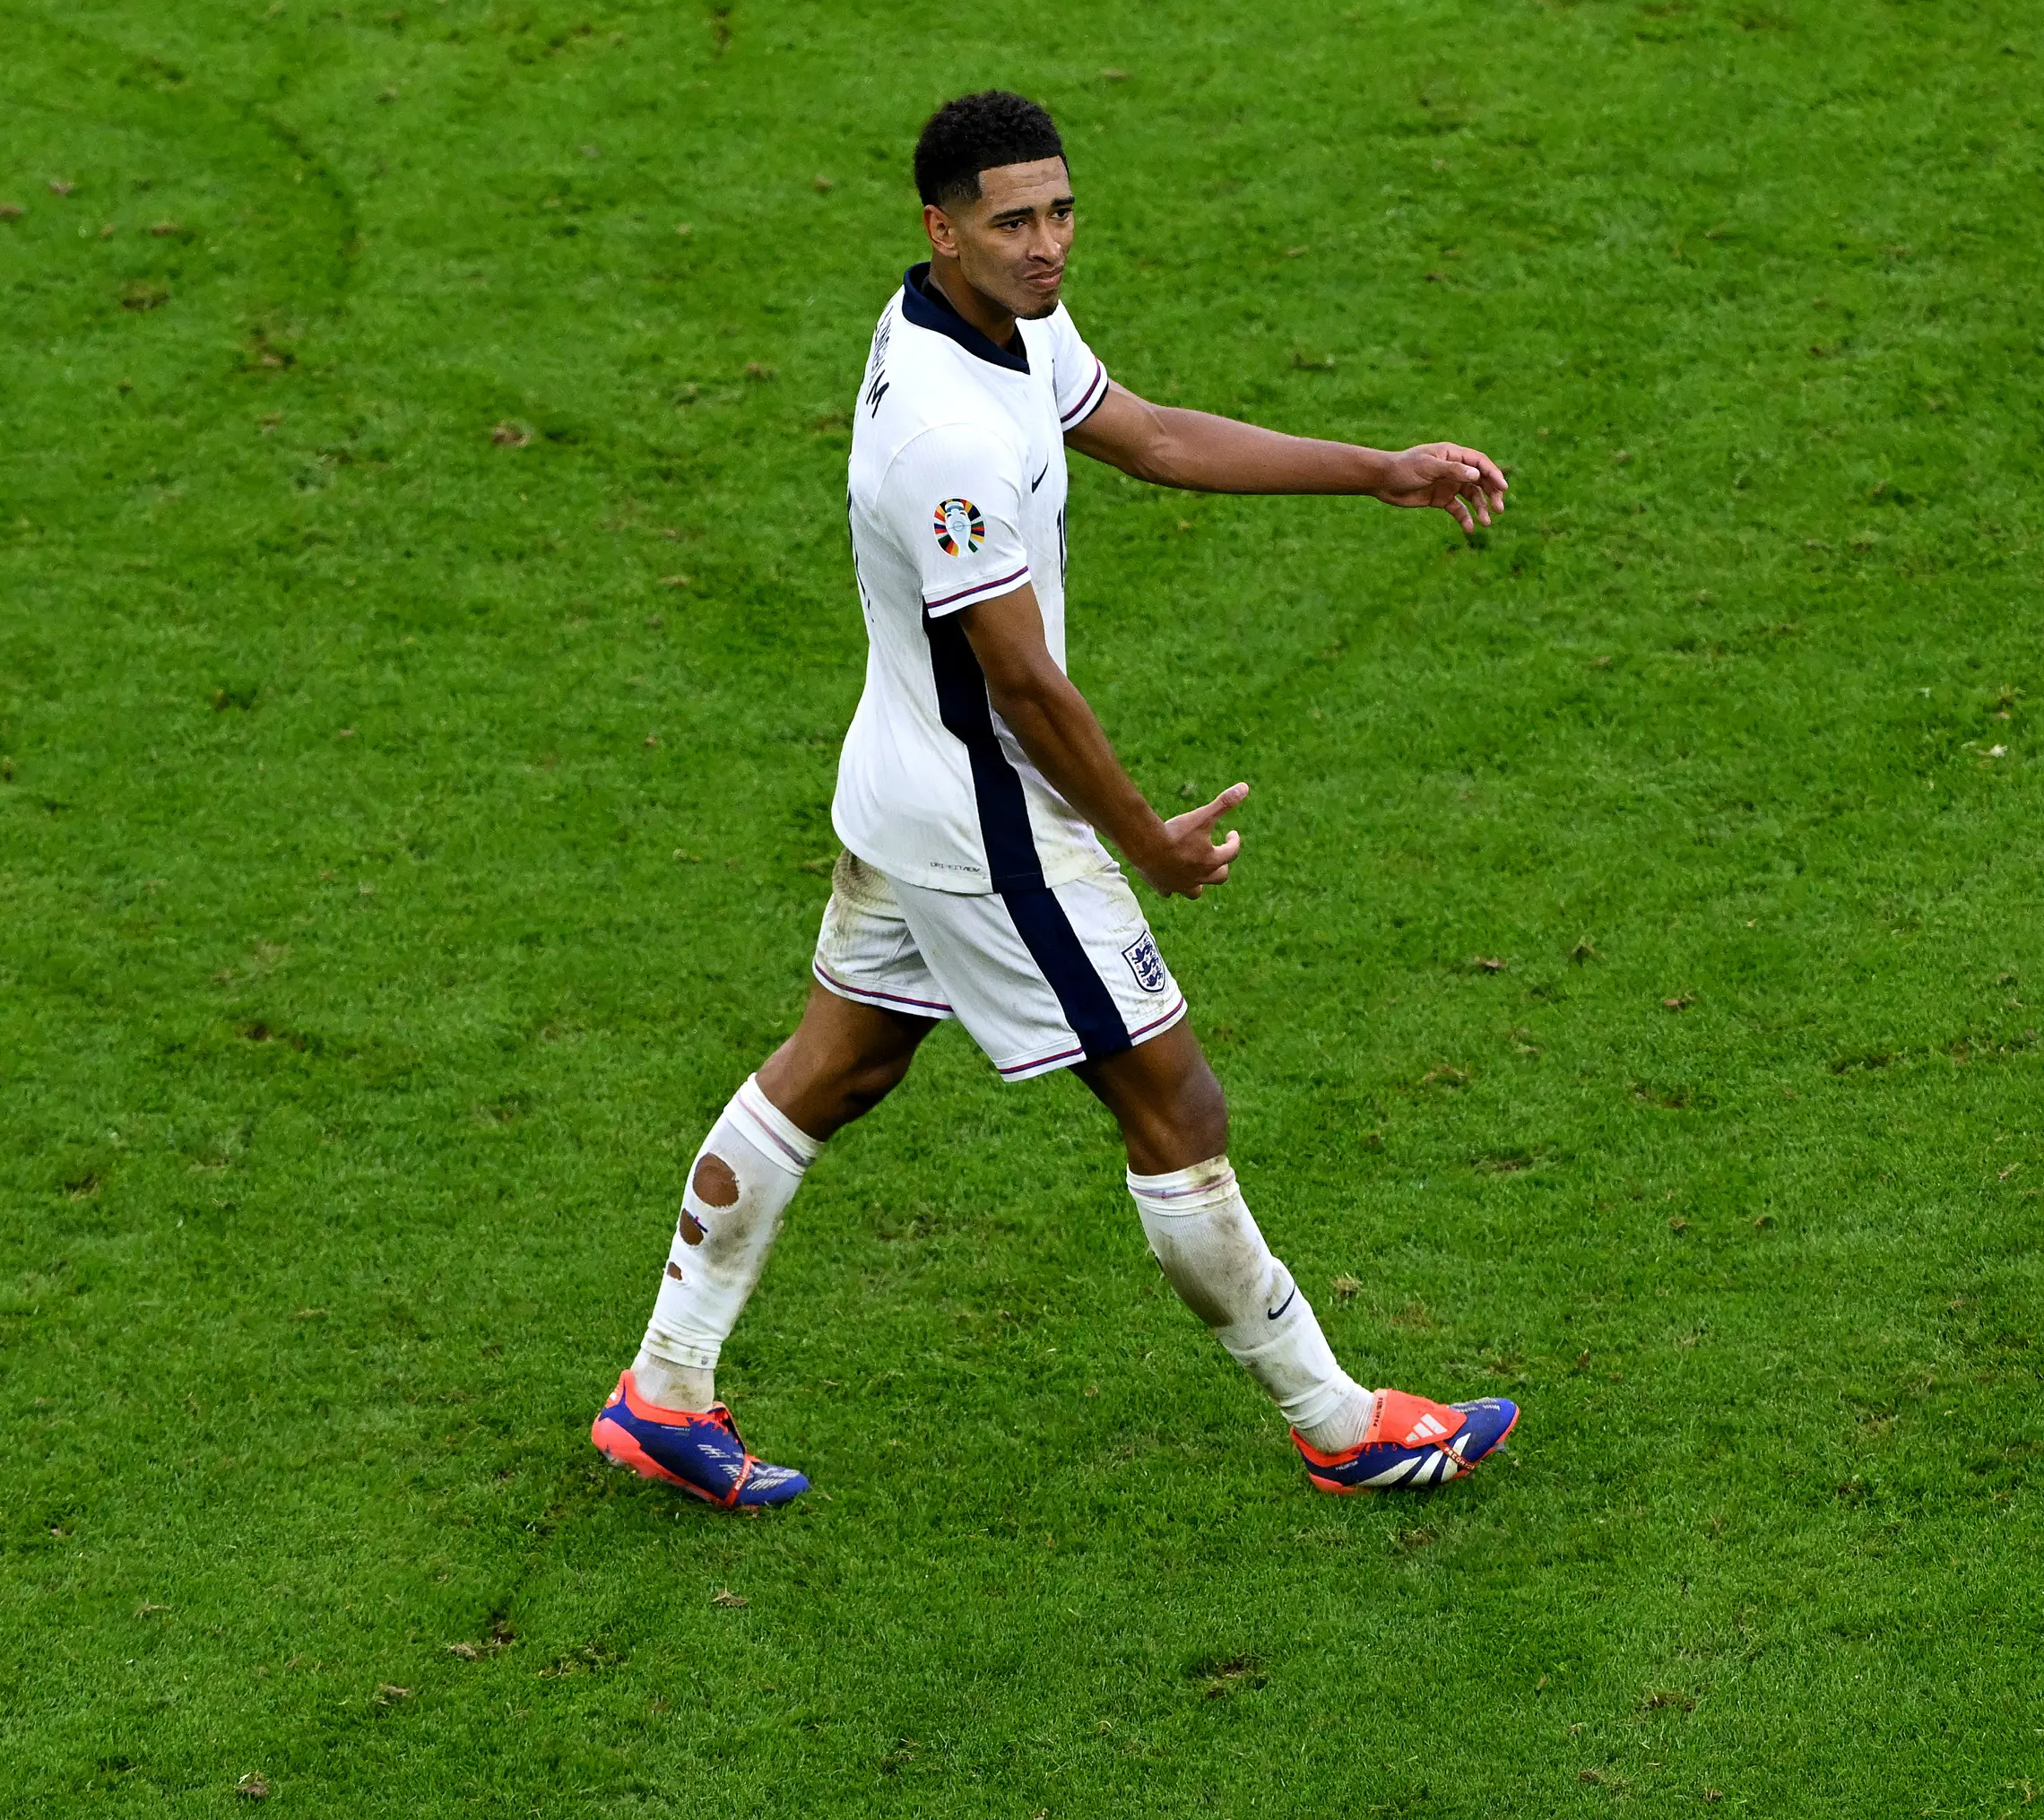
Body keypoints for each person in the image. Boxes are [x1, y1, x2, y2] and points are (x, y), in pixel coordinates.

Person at [592, 91, 1520, 1512]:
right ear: (941, 226)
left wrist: (1378, 472)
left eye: (1060, 211)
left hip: (905, 789)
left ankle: (661, 1391)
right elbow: (1024, 685)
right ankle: (1341, 1423)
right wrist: (1143, 842)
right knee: (1173, 1102)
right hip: (990, 829)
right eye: (1013, 220)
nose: (1047, 246)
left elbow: (1146, 435)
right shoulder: (946, 441)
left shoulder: (986, 322)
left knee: (837, 1067)